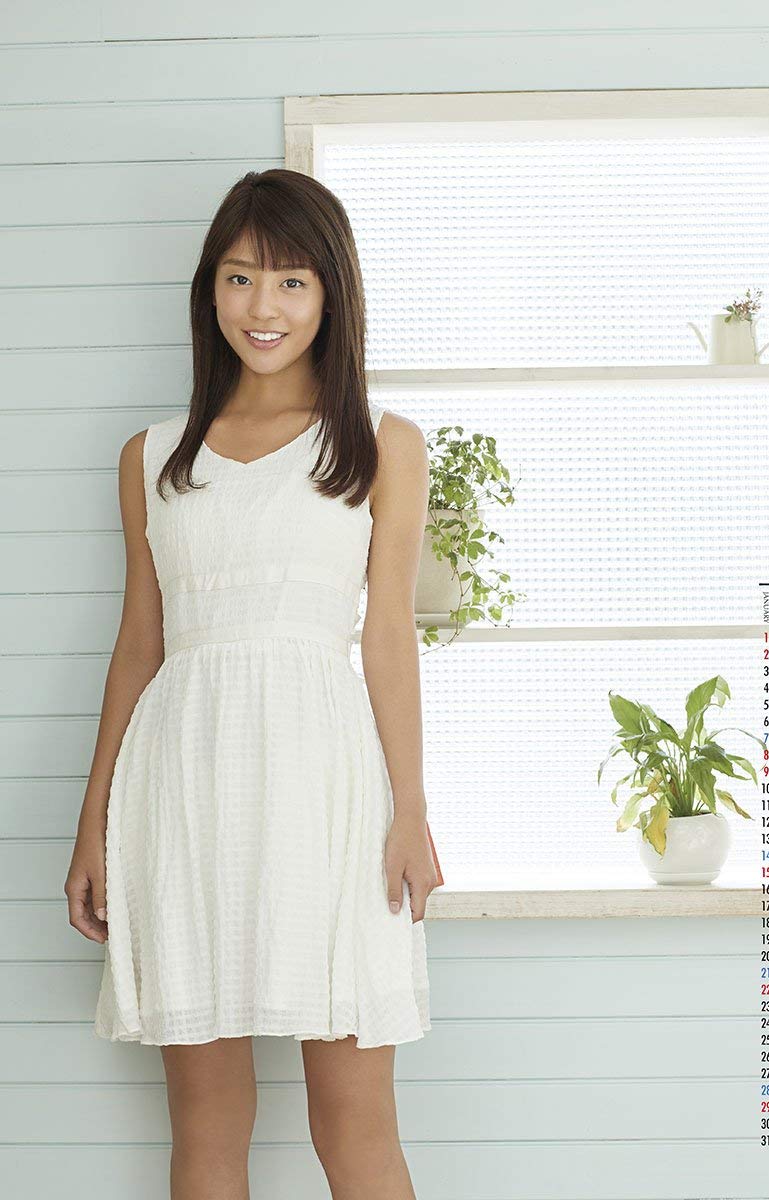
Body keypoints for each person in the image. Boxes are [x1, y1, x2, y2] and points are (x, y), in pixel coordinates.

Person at [64, 167, 444, 1199]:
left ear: (330, 294)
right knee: (206, 1123)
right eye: (238, 279)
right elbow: (138, 644)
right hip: (182, 787)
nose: (261, 307)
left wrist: (410, 811)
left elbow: (388, 639)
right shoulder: (153, 458)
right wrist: (94, 823)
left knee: (355, 1123)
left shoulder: (382, 445)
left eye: (290, 281)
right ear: (210, 292)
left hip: (327, 788)